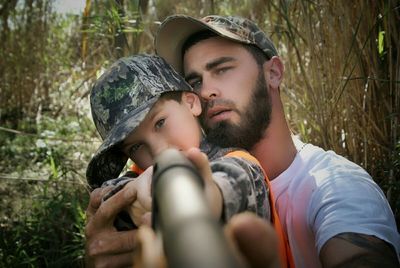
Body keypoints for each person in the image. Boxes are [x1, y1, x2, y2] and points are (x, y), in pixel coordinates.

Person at [154, 14, 400, 267]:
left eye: (222, 69)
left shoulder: (335, 186)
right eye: (195, 81)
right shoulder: (196, 185)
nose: (206, 92)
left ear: (273, 73)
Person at [85, 54, 277, 266]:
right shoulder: (138, 177)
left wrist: (204, 198)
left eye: (160, 123)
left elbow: (232, 180)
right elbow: (105, 196)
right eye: (136, 146)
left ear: (191, 103)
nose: (158, 150)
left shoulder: (238, 162)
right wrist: (132, 199)